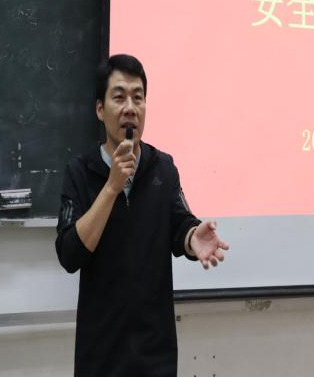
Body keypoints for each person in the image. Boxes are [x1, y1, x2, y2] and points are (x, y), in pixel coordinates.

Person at [55, 54, 229, 377]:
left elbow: (180, 223)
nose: (130, 108)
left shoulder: (163, 167)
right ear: (100, 109)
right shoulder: (79, 172)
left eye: (138, 97)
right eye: (119, 97)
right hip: (101, 357)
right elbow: (69, 254)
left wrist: (193, 237)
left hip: (155, 356)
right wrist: (111, 187)